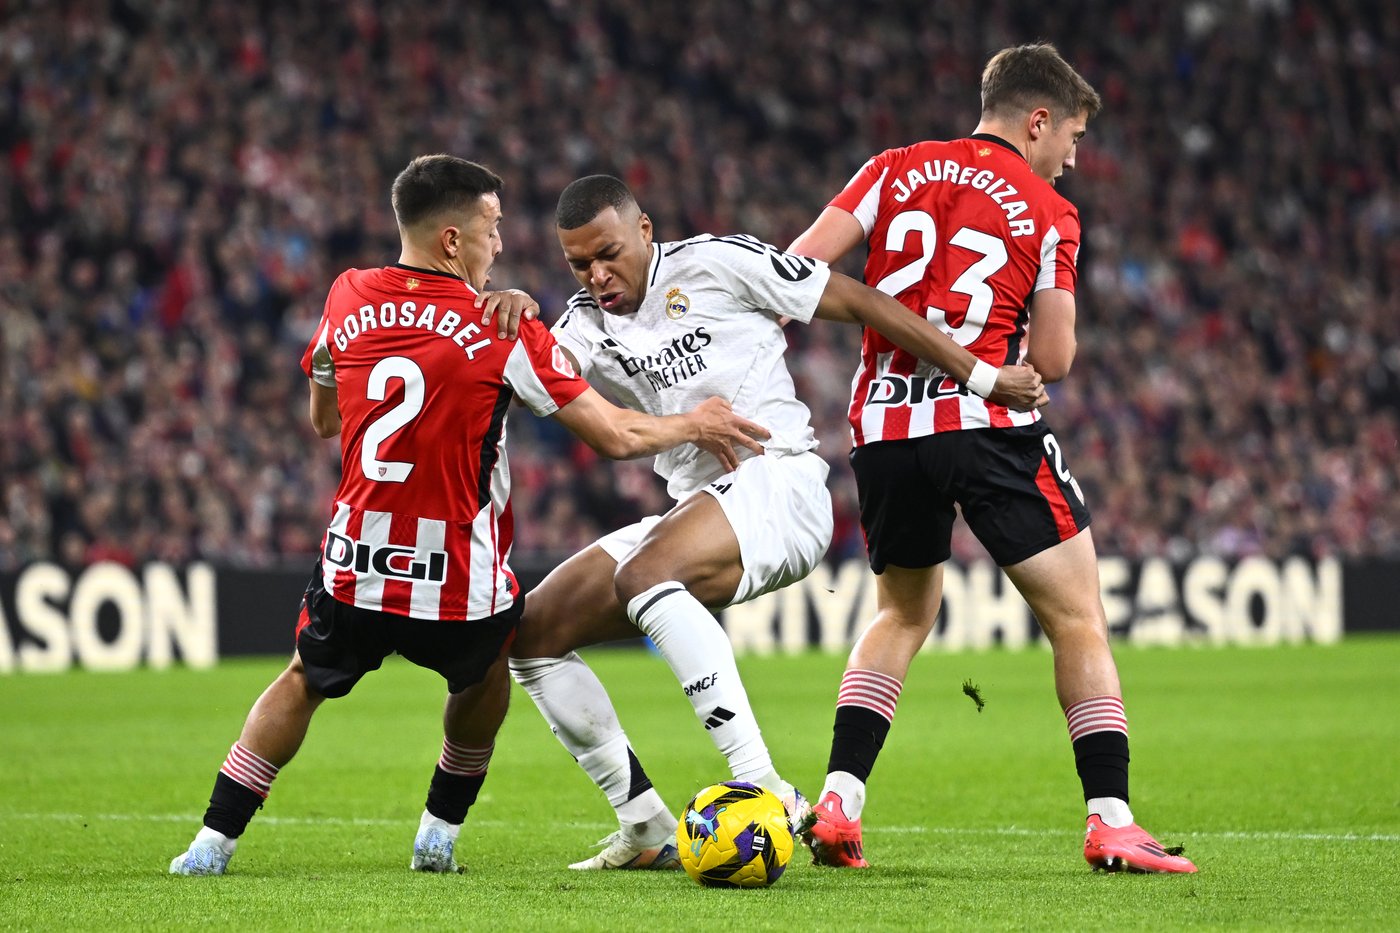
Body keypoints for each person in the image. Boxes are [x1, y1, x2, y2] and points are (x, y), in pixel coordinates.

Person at [167, 155, 772, 876]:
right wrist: (694, 423)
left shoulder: (348, 293)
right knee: (487, 670)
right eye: (493, 226)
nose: (502, 243)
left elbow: (325, 418)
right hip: (458, 576)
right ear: (453, 240)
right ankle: (437, 835)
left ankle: (212, 841)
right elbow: (615, 436)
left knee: (303, 677)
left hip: (356, 563)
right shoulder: (501, 329)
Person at [443, 173, 1046, 871]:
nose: (598, 274)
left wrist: (982, 376)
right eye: (580, 264)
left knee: (645, 574)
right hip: (697, 513)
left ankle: (768, 788)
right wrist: (506, 311)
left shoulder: (717, 263)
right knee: (531, 634)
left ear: (645, 231)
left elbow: (858, 298)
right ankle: (644, 825)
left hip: (780, 481)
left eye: (609, 253)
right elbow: (506, 378)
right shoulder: (581, 329)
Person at [786, 43, 1197, 874]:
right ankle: (1111, 818)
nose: (1072, 160)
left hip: (883, 429)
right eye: (1072, 138)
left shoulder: (890, 167)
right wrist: (990, 359)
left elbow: (793, 271)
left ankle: (838, 802)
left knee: (901, 613)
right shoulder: (1048, 210)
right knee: (1077, 616)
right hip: (984, 420)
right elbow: (1054, 356)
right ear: (1036, 119)